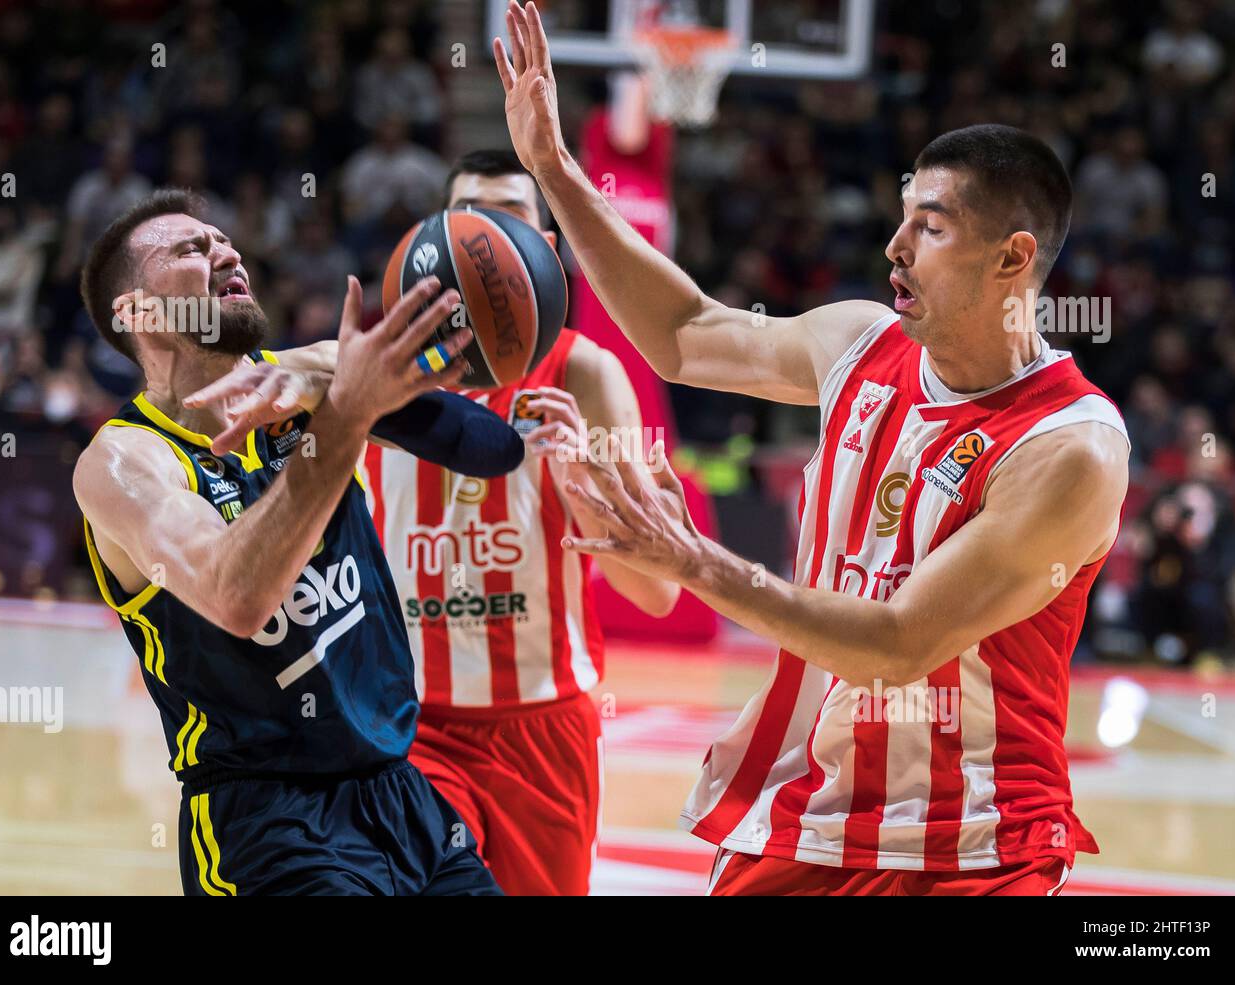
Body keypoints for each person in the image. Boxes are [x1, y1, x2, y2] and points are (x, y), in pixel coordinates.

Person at [493, 1, 1130, 896]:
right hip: (805, 815)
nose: (895, 245)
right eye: (903, 216)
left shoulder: (1072, 447)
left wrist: (697, 561)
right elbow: (683, 333)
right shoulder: (858, 344)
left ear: (1013, 258)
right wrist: (557, 171)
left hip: (975, 849)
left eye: (932, 227)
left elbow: (901, 643)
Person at [194, 148, 681, 895]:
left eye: (508, 214)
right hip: (408, 725)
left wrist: (585, 484)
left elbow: (654, 594)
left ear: (545, 250)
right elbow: (283, 369)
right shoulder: (371, 364)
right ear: (435, 242)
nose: (485, 232)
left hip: (544, 728)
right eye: (468, 216)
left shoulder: (587, 375)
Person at [72, 188, 516, 895]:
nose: (224, 250)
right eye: (189, 249)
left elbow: (497, 449)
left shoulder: (311, 374)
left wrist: (323, 377)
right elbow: (238, 594)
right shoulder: (124, 464)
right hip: (265, 821)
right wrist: (345, 411)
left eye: (223, 239)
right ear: (136, 311)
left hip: (403, 798)